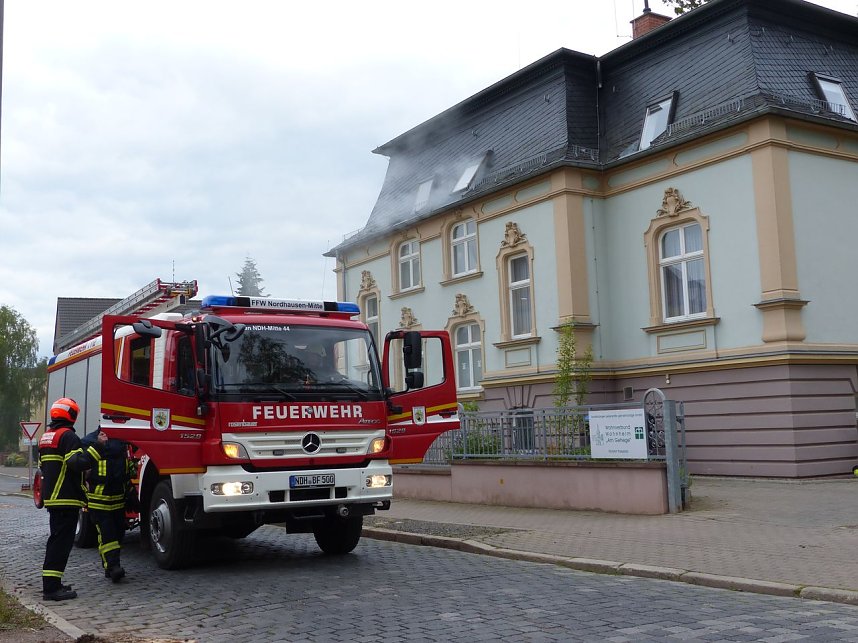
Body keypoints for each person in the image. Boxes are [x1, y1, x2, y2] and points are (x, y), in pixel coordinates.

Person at [38, 397, 92, 601]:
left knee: (56, 541)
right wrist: (95, 452)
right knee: (61, 544)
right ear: (72, 415)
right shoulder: (68, 436)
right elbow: (76, 463)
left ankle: (53, 583)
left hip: (53, 498)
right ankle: (51, 590)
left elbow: (45, 467)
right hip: (66, 498)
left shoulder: (47, 436)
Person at [81, 427, 129, 582]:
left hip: (118, 499)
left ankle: (110, 566)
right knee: (108, 535)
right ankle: (114, 567)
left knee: (118, 534)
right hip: (98, 499)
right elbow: (83, 465)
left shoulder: (122, 440)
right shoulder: (89, 441)